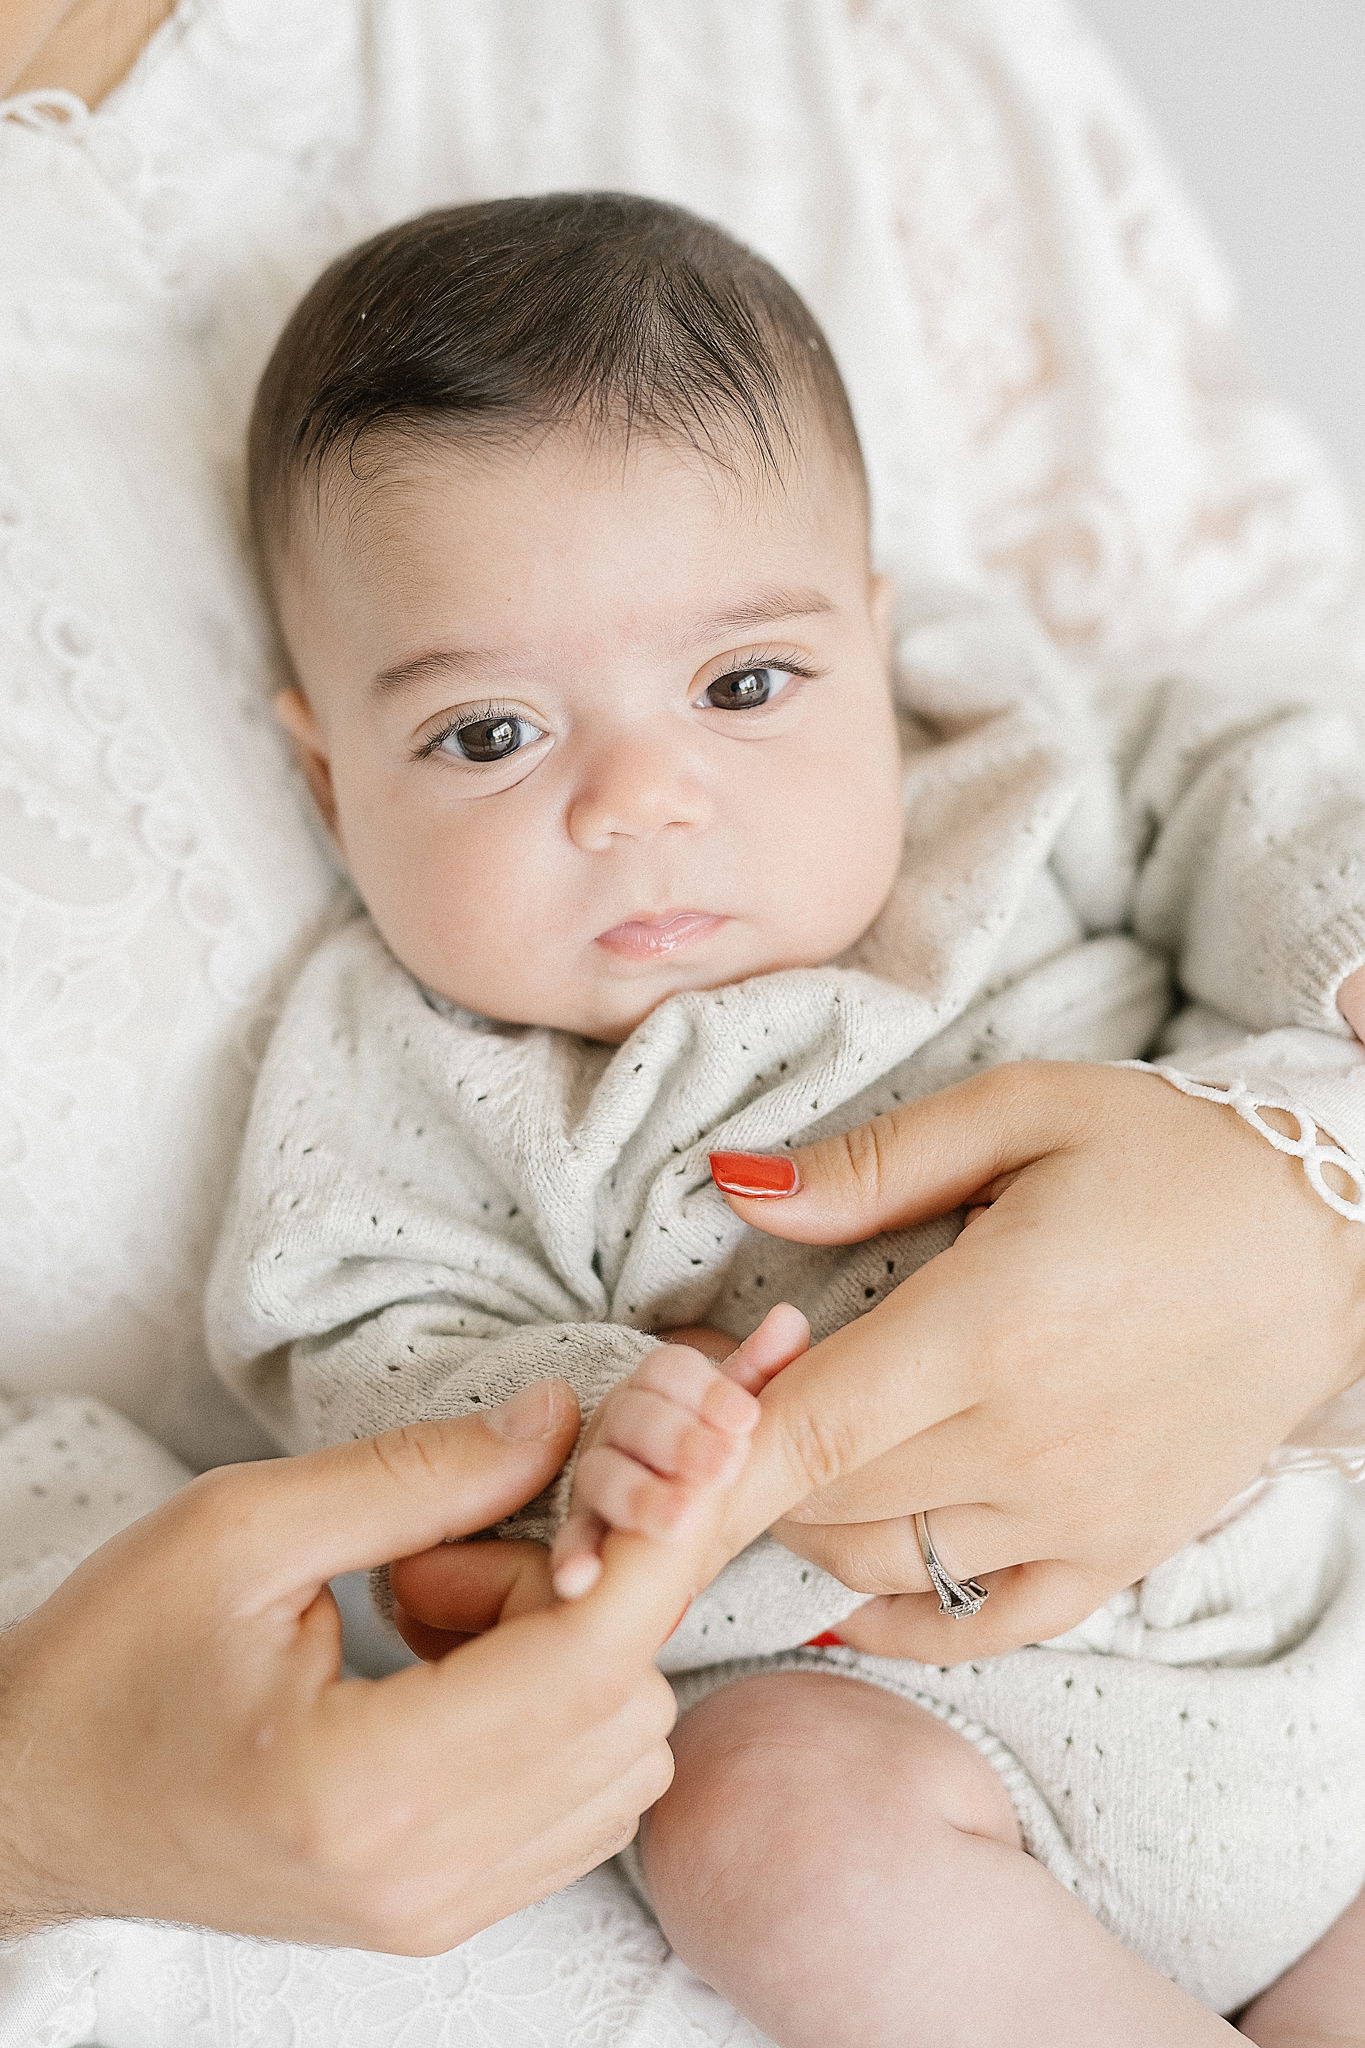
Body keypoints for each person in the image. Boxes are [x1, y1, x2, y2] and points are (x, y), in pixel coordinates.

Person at [5, 3, 1365, 2041]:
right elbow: (364, 1353)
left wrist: (1329, 996)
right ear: (322, 783)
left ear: (874, 637)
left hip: (1296, 1579)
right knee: (758, 1827)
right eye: (487, 731)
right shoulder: (396, 1080)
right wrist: (591, 1422)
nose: (634, 797)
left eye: (741, 686)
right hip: (929, 1752)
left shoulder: (994, 767)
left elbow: (1254, 764)